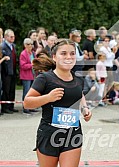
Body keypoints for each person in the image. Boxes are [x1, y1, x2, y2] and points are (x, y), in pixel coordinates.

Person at [23, 39, 92, 167]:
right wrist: (48, 98)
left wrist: (85, 109)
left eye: (72, 54)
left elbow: (79, 95)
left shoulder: (78, 80)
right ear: (54, 57)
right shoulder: (44, 78)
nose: (69, 57)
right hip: (49, 135)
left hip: (73, 134)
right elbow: (27, 103)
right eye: (64, 53)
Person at [1, 29, 19, 114]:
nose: (13, 38)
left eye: (13, 36)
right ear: (6, 37)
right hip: (6, 72)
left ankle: (11, 106)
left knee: (12, 89)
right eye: (11, 36)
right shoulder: (3, 46)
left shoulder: (13, 46)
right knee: (6, 90)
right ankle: (5, 107)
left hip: (13, 71)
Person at [19, 38, 36, 114]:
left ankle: (31, 107)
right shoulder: (23, 54)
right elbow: (23, 66)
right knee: (26, 92)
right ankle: (26, 108)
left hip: (33, 75)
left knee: (32, 92)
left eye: (31, 44)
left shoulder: (33, 53)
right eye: (28, 44)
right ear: (25, 45)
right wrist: (31, 65)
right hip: (26, 76)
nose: (30, 46)